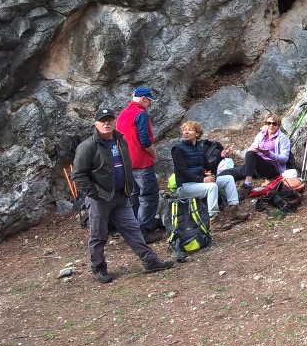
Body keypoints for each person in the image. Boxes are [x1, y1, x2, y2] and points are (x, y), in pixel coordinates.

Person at [72, 107, 175, 283]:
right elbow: (79, 175)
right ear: (95, 124)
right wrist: (94, 193)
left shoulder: (120, 141)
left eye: (109, 120)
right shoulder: (88, 146)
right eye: (102, 120)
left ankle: (150, 261)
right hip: (100, 199)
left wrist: (128, 187)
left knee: (133, 230)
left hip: (121, 195)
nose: (106, 123)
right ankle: (99, 268)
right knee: (98, 235)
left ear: (114, 122)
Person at [171, 121, 248, 230]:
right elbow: (182, 170)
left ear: (197, 134)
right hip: (185, 186)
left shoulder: (199, 147)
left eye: (190, 129)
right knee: (212, 187)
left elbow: (208, 166)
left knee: (228, 178)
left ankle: (234, 210)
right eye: (184, 130)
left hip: (199, 183)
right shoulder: (178, 149)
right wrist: (202, 179)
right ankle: (213, 220)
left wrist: (220, 156)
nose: (186, 132)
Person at [116, 86, 162, 243]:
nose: (150, 104)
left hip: (126, 163)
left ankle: (131, 232)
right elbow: (144, 139)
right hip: (141, 162)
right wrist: (153, 154)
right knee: (148, 196)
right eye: (149, 101)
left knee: (133, 196)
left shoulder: (122, 115)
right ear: (143, 99)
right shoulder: (140, 114)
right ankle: (144, 232)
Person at [238, 113, 291, 188]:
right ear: (266, 124)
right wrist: (254, 149)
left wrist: (269, 154)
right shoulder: (261, 135)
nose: (271, 125)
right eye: (269, 123)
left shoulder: (283, 138)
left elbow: (285, 159)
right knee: (232, 171)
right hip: (257, 165)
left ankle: (247, 183)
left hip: (271, 168)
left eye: (274, 123)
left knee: (250, 155)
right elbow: (251, 148)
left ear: (278, 125)